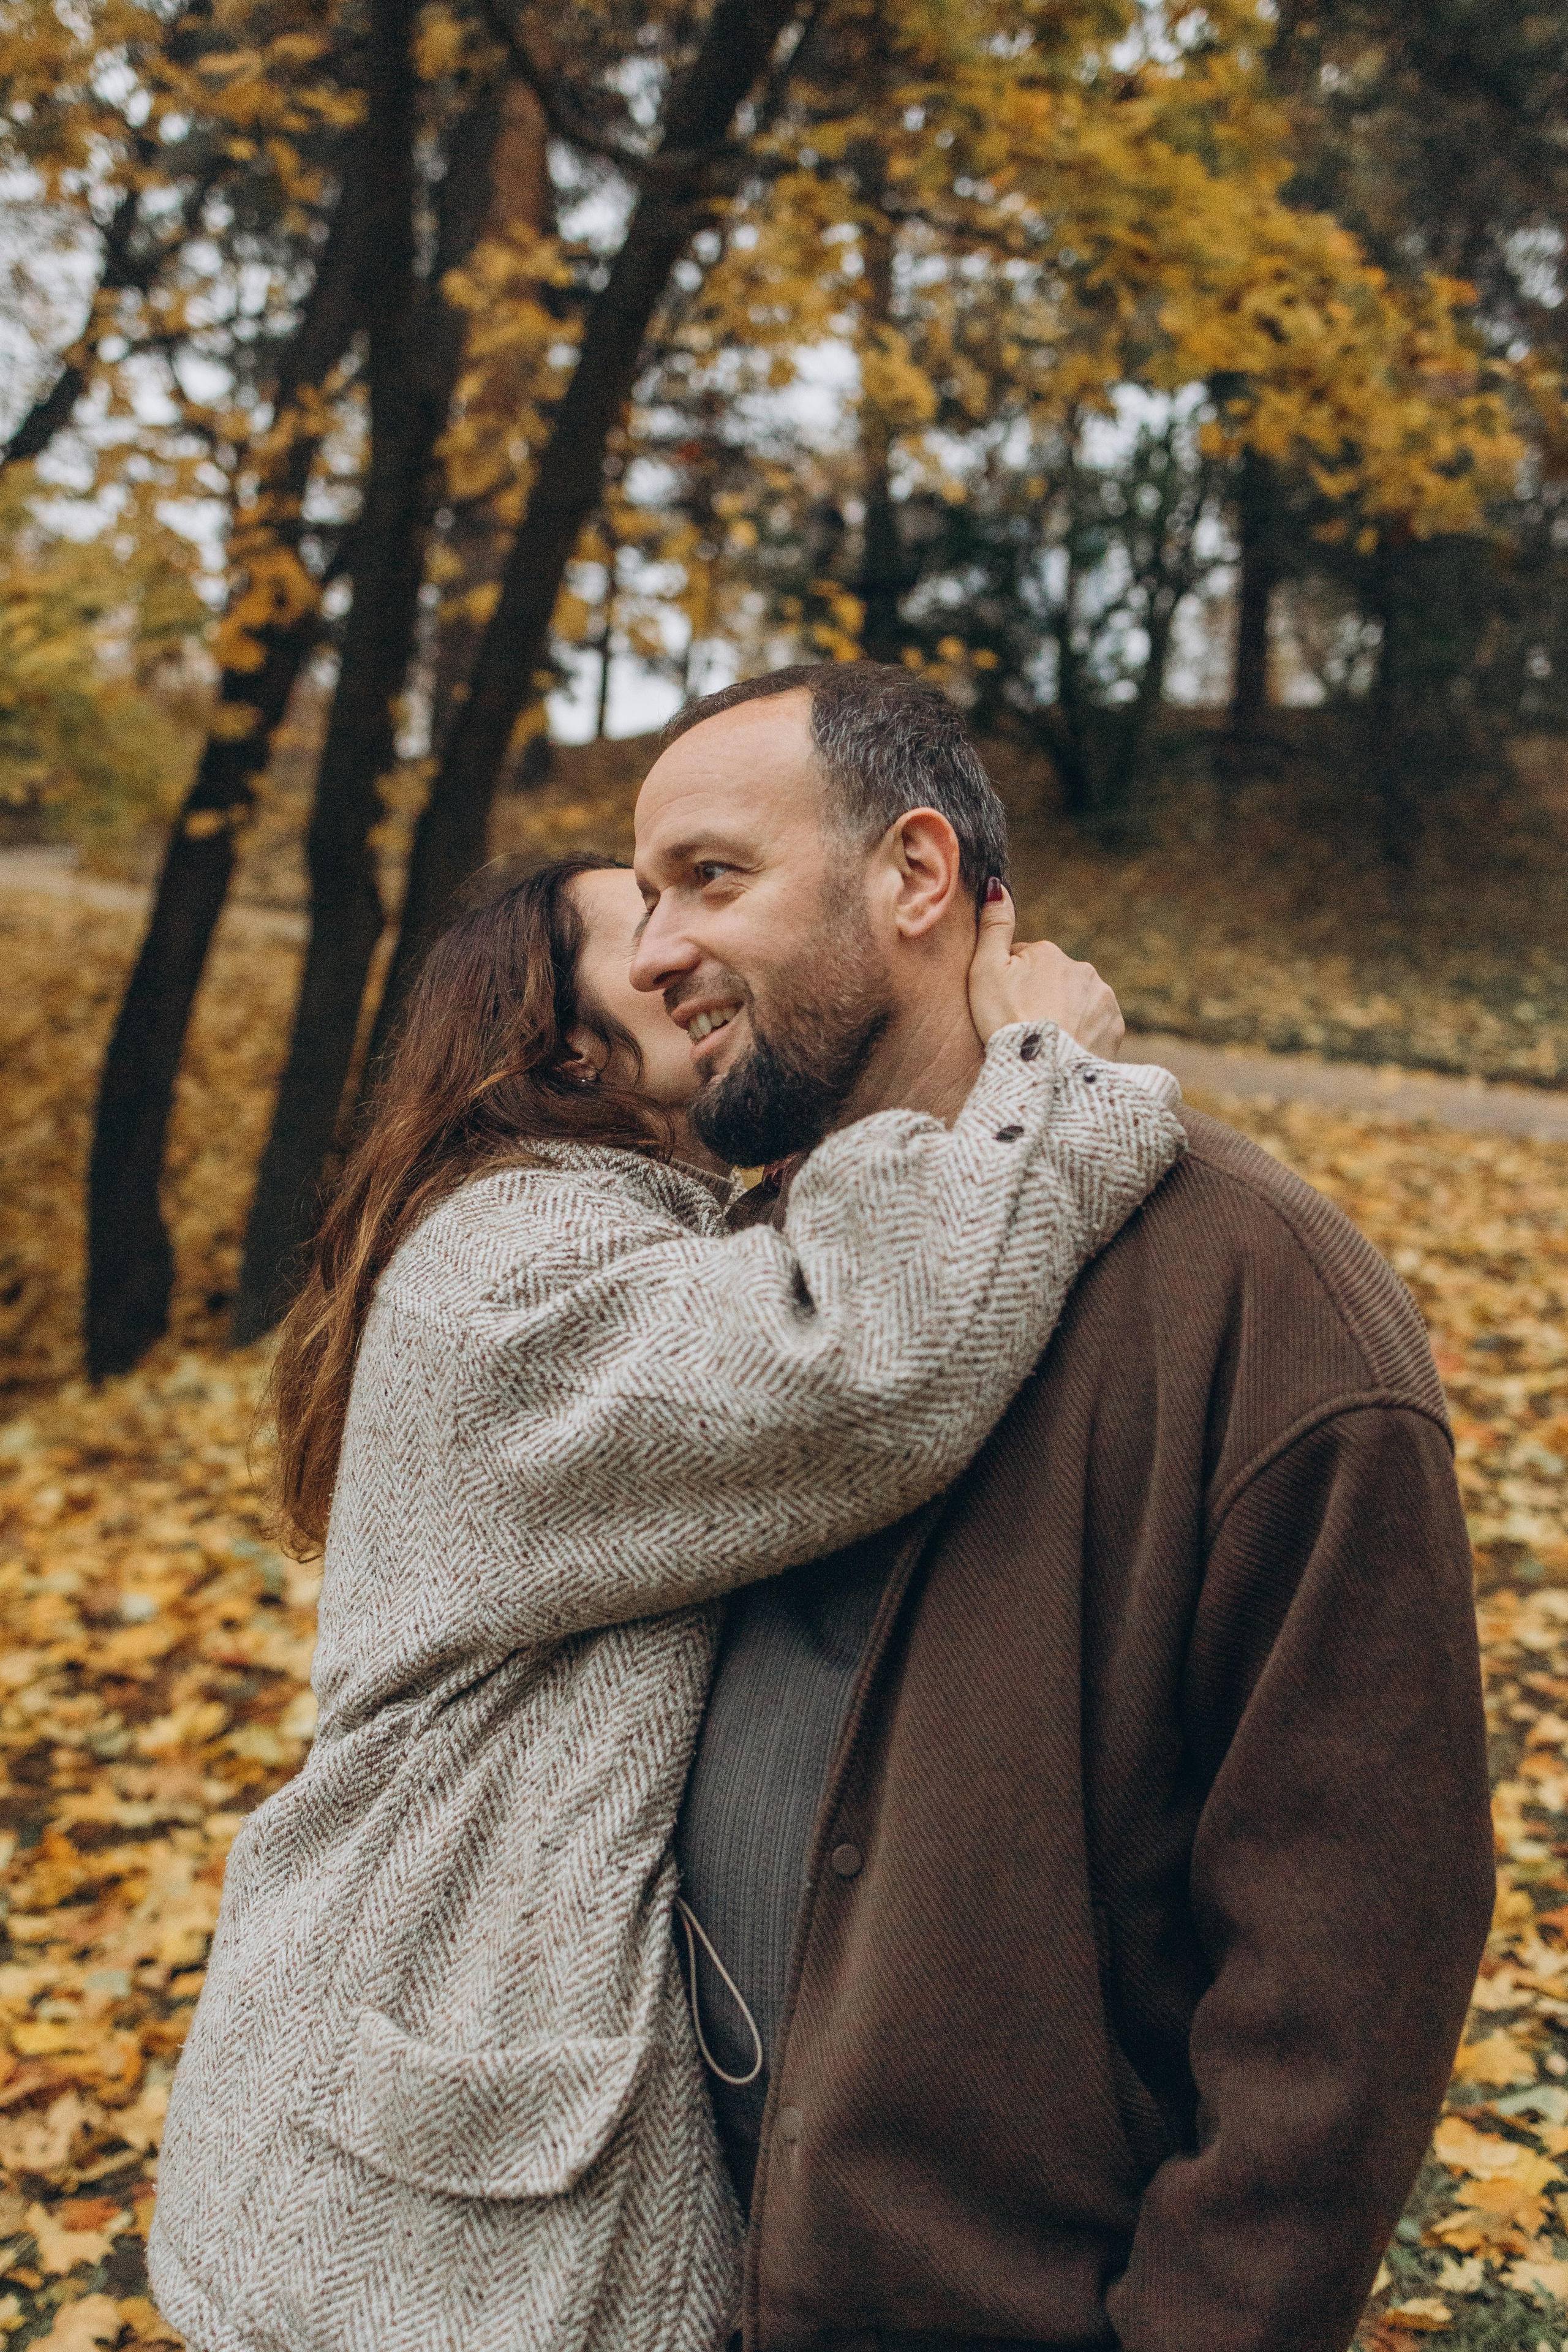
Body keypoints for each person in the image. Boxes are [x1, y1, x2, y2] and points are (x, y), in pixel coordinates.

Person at [148, 848, 1185, 2352]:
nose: (686, 944)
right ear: (569, 1049)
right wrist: (1040, 1079)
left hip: (441, 2075)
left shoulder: (613, 1222)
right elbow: (862, 1371)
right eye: (647, 920)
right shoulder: (510, 1258)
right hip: (416, 2127)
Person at [629, 662, 1495, 2352]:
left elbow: (1346, 1973)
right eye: (647, 895)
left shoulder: (1259, 1300)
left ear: (917, 875)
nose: (655, 951)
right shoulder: (737, 1279)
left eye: (709, 878)